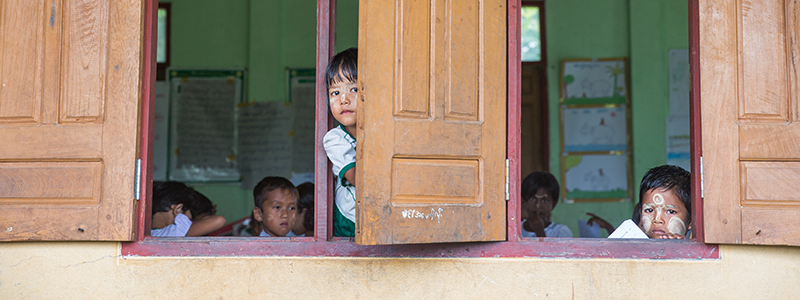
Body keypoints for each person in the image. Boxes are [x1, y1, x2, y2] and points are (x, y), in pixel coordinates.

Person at [322, 47, 358, 237]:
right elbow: (359, 179)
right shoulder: (335, 139)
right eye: (335, 93)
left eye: (354, 89)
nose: (344, 99)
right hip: (348, 222)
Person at [633, 165, 692, 239]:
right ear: (641, 215)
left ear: (690, 221)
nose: (657, 220)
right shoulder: (630, 249)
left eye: (670, 211)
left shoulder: (692, 250)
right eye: (649, 210)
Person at [520, 172, 573, 237]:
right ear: (524, 201)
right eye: (532, 199)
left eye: (544, 200)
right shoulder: (516, 230)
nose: (538, 205)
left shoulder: (560, 232)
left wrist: (540, 232)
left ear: (553, 204)